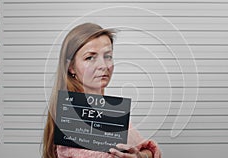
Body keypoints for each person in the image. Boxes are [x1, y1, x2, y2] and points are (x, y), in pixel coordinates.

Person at [42, 23, 161, 158]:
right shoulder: (70, 116)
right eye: (90, 57)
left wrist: (140, 155)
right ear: (71, 67)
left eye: (107, 56)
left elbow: (147, 150)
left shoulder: (111, 111)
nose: (104, 66)